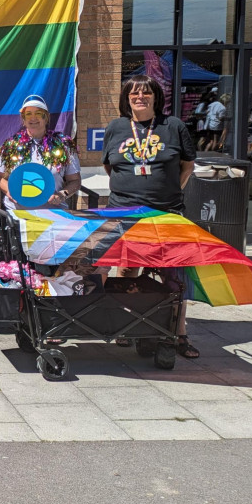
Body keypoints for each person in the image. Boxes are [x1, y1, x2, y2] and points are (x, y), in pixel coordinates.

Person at [103, 75, 199, 358]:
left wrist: (169, 194)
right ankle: (126, 325)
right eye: (134, 93)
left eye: (146, 93)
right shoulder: (116, 127)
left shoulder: (174, 127)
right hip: (125, 213)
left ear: (156, 96)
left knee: (174, 274)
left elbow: (187, 166)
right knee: (127, 270)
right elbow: (111, 167)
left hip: (165, 214)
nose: (139, 97)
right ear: (126, 98)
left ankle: (179, 334)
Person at [0, 95, 81, 210]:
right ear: (23, 119)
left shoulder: (63, 144)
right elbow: (0, 177)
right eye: (28, 114)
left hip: (53, 212)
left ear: (46, 118)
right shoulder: (10, 145)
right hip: (17, 213)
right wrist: (9, 190)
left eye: (38, 113)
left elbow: (75, 180)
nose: (33, 118)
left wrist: (62, 195)